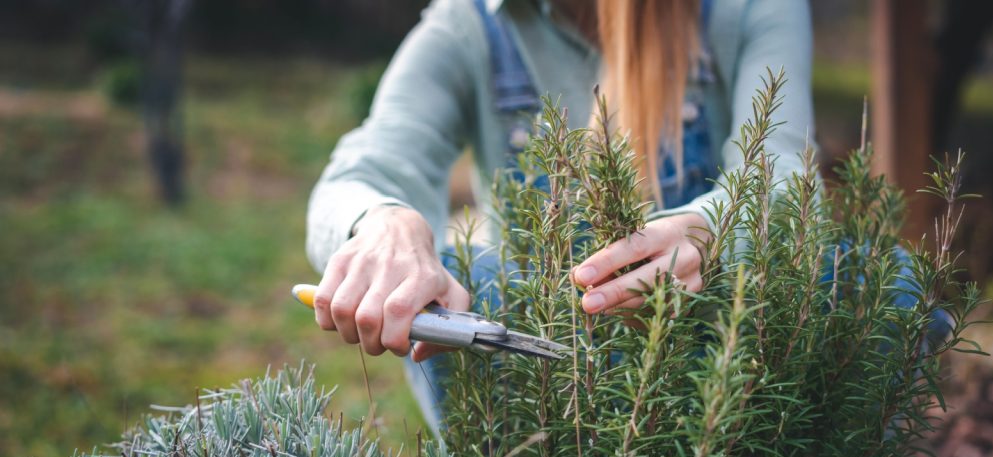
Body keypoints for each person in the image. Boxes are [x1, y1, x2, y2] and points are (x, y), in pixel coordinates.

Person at [305, 0, 816, 430]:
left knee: (884, 283)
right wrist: (383, 222)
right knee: (463, 282)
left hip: (719, 357)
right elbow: (364, 169)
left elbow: (785, 175)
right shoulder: (472, 22)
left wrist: (714, 233)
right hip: (542, 385)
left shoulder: (746, 10)